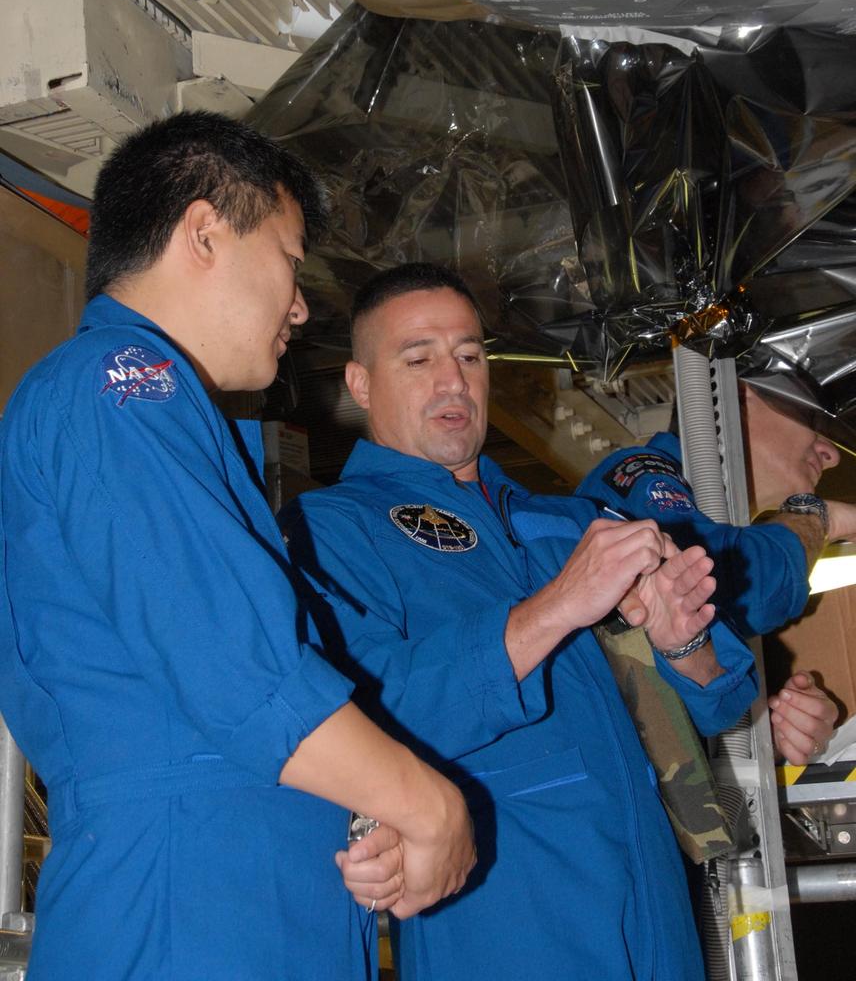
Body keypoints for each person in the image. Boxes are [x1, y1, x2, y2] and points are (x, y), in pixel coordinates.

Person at [0, 115, 475, 981]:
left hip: (228, 896)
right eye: (291, 260)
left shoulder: (169, 419)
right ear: (204, 231)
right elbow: (233, 663)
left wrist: (361, 805)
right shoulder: (114, 386)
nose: (300, 304)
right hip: (181, 906)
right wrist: (421, 799)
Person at [281, 262, 759, 981]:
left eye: (470, 355)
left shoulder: (569, 520)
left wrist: (682, 639)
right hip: (504, 917)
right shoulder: (332, 528)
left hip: (654, 907)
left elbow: (722, 696)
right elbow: (362, 713)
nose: (454, 380)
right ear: (360, 384)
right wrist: (559, 604)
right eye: (419, 358)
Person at [577, 381, 849, 761]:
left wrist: (776, 727)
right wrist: (820, 518)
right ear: (732, 396)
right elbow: (728, 583)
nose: (830, 453)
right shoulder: (640, 474)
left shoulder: (739, 542)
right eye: (812, 418)